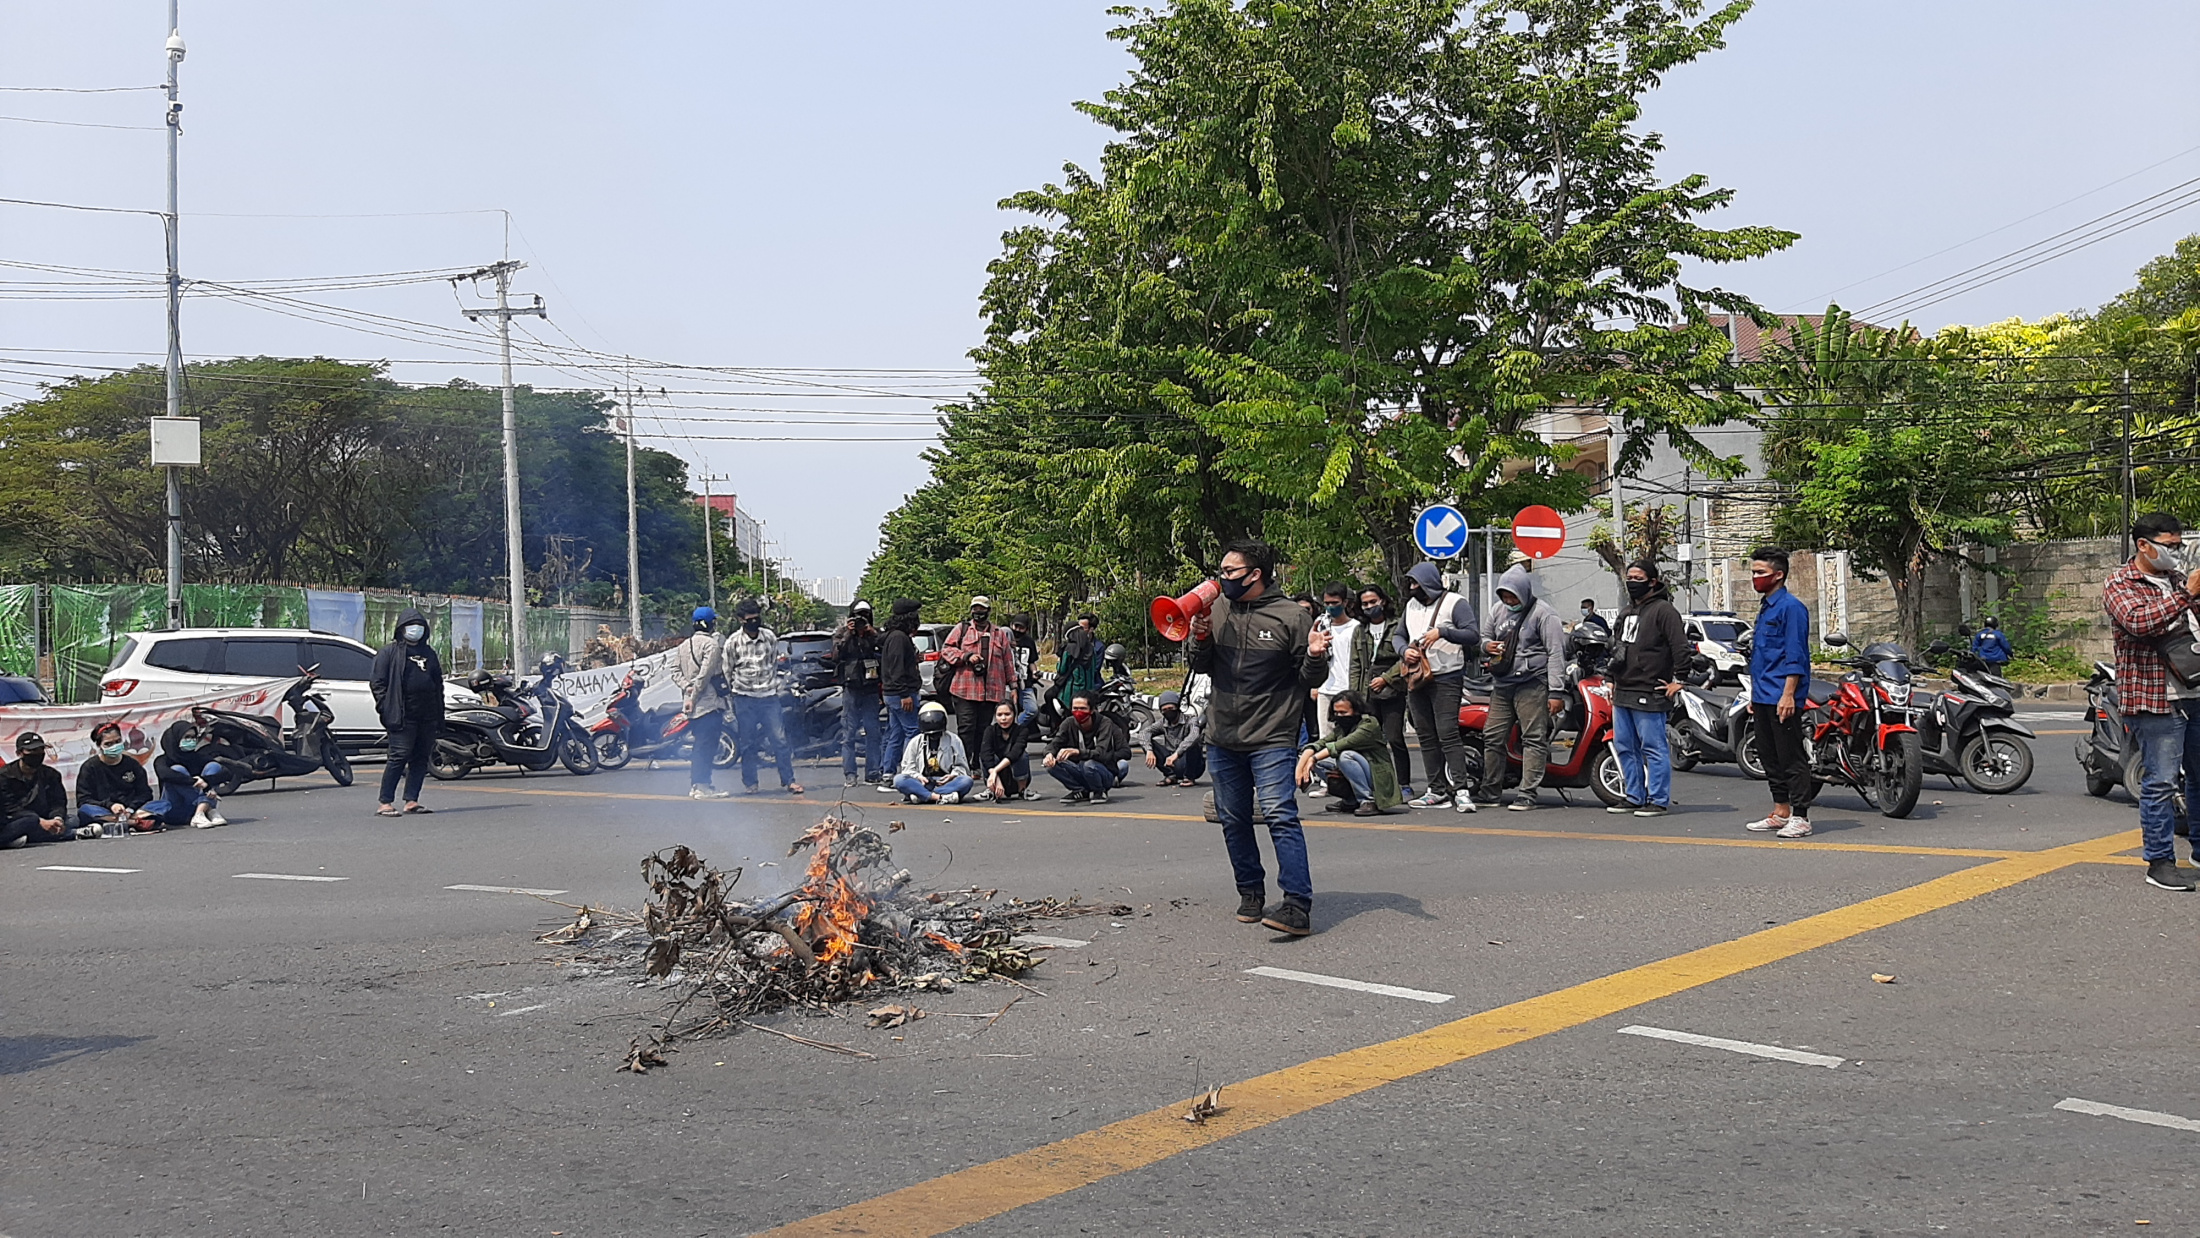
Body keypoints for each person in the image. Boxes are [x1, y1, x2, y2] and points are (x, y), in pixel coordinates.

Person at [1187, 539, 1330, 937]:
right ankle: (1250, 892)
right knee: (1233, 819)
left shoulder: (1291, 617)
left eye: (1230, 572)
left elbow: (1309, 681)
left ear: (1255, 575)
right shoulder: (1217, 609)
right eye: (1222, 571)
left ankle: (1297, 904)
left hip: (1272, 735)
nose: (1222, 578)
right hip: (1222, 734)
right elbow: (1203, 667)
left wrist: (1316, 655)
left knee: (1280, 816)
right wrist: (1200, 638)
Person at [2104, 513, 2200, 890]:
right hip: (2155, 696)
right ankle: (2159, 862)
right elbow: (2140, 623)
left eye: (2180, 545)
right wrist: (2187, 594)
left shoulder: (2177, 580)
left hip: (2195, 691)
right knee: (2160, 781)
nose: (2176, 552)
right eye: (2170, 545)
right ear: (2144, 545)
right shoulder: (2120, 582)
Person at [1742, 546, 1818, 840]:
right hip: (1763, 694)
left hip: (1782, 696)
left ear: (1778, 575)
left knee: (1790, 756)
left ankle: (1801, 816)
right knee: (1768, 755)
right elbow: (1762, 655)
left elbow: (1795, 655)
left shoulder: (1791, 608)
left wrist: (1788, 695)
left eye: (1760, 572)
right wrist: (1754, 695)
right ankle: (1781, 810)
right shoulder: (1766, 606)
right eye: (1753, 572)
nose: (1755, 578)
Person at [1480, 564, 1568, 811]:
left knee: (1533, 738)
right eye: (1505, 596)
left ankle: (1527, 793)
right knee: (1493, 736)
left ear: (1523, 592)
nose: (1509, 601)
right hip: (1502, 684)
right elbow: (1483, 638)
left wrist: (1556, 692)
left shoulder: (1543, 614)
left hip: (1532, 683)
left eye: (1513, 596)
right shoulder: (1498, 610)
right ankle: (1490, 791)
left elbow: (1555, 653)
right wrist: (1488, 647)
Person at [1606, 561, 1689, 817]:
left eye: (1638, 577)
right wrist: (1610, 677)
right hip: (1623, 689)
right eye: (1629, 577)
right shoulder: (1627, 612)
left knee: (1653, 747)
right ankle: (1633, 795)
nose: (1632, 581)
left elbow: (1680, 647)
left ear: (1652, 581)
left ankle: (1658, 799)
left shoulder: (1664, 611)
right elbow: (1618, 647)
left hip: (1650, 690)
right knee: (1624, 746)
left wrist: (1680, 679)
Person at [1399, 562, 1480, 812]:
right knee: (1425, 734)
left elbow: (1472, 634)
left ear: (1429, 583)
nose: (1413, 588)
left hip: (1447, 677)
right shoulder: (1410, 606)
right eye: (1411, 583)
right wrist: (1404, 651)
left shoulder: (1455, 603)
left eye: (1417, 583)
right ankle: (1436, 790)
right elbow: (1399, 635)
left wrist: (1443, 632)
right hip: (1418, 677)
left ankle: (1461, 790)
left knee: (1448, 733)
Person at [369, 606, 444, 817]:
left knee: (421, 758)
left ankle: (412, 800)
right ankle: (385, 802)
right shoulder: (389, 653)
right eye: (411, 626)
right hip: (402, 716)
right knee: (398, 756)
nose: (415, 630)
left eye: (419, 626)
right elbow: (378, 683)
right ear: (402, 629)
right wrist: (385, 707)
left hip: (427, 715)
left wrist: (439, 713)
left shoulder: (429, 653)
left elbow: (438, 684)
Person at [723, 598, 803, 795]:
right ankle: (751, 783)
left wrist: (771, 686)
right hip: (744, 698)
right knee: (748, 743)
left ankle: (789, 781)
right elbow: (727, 671)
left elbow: (773, 664)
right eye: (749, 619)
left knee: (780, 740)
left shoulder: (769, 637)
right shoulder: (733, 642)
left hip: (768, 696)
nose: (754, 622)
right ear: (740, 620)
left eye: (756, 618)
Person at [1351, 582, 1415, 799]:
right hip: (1367, 694)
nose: (1369, 607)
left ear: (1383, 601)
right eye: (1365, 604)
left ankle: (1404, 784)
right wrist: (1355, 697)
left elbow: (1404, 657)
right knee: (1371, 741)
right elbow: (1356, 665)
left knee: (1395, 738)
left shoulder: (1397, 626)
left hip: (1393, 691)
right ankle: (1376, 785)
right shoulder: (1360, 631)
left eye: (1373, 602)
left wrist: (1386, 679)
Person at [1297, 689, 1404, 817]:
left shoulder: (1369, 725)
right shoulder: (1342, 727)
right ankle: (1350, 800)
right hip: (1360, 769)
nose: (1339, 716)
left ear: (1356, 710)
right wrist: (1301, 767)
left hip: (1376, 776)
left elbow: (1339, 745)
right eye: (1336, 712)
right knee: (1321, 761)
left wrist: (1312, 759)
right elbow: (1320, 744)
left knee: (1345, 756)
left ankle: (1368, 800)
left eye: (1343, 712)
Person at [940, 595, 1016, 760]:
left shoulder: (999, 634)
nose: (978, 612)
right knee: (966, 728)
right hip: (965, 689)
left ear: (988, 611)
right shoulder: (962, 629)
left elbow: (1008, 661)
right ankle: (963, 763)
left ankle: (977, 764)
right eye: (975, 609)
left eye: (981, 609)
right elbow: (946, 650)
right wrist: (966, 656)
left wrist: (1014, 686)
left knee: (984, 729)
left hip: (991, 691)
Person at [670, 606, 732, 800]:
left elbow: (674, 671)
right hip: (708, 704)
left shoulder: (684, 645)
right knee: (706, 746)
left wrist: (687, 688)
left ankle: (698, 784)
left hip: (692, 704)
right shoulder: (711, 645)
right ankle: (702, 786)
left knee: (700, 745)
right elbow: (704, 675)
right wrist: (694, 695)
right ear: (709, 623)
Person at [831, 600, 886, 788]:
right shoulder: (842, 633)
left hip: (870, 688)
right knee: (849, 733)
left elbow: (884, 647)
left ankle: (872, 772)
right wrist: (849, 633)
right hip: (851, 688)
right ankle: (850, 774)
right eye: (858, 615)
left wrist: (872, 633)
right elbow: (836, 655)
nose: (862, 619)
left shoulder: (874, 633)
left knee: (873, 731)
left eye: (865, 614)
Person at [1044, 692, 1132, 803]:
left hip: (1101, 769)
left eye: (1083, 708)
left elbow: (1101, 752)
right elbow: (1054, 743)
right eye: (1075, 708)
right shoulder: (1068, 723)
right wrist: (1049, 755)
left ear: (1092, 710)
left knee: (1089, 765)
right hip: (1079, 769)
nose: (1078, 712)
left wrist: (1078, 752)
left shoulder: (1105, 724)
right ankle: (1079, 791)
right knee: (1051, 766)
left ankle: (1099, 791)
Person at [75, 721, 156, 836]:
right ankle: (131, 823)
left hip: (132, 811)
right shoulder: (89, 767)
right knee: (85, 810)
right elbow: (83, 799)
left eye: (117, 742)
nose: (114, 746)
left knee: (163, 805)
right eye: (108, 744)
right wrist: (110, 805)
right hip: (104, 810)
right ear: (99, 745)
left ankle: (123, 822)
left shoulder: (132, 764)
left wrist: (130, 809)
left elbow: (145, 793)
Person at [146, 719, 229, 829]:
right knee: (178, 769)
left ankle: (200, 812)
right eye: (186, 737)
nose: (191, 740)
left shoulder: (197, 757)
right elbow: (165, 775)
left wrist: (206, 781)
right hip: (174, 811)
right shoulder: (163, 760)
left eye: (193, 737)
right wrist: (197, 783)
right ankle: (208, 808)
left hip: (194, 808)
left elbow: (227, 772)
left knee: (213, 766)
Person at [879, 599, 924, 792]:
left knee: (895, 734)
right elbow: (896, 668)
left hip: (893, 693)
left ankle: (888, 775)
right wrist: (905, 693)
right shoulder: (899, 638)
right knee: (912, 732)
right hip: (901, 693)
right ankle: (907, 773)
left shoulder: (894, 636)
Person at [0, 732, 70, 847]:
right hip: (18, 819)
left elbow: (58, 802)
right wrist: (39, 821)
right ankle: (72, 834)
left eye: (40, 750)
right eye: (32, 751)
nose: (37, 754)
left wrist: (57, 818)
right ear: (19, 753)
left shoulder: (51, 774)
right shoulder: (5, 776)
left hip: (46, 817)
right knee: (30, 822)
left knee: (73, 820)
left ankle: (26, 838)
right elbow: (10, 808)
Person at [894, 700, 971, 804]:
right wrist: (918, 777)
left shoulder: (954, 740)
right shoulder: (915, 741)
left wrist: (952, 775)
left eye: (937, 734)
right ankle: (939, 797)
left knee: (967, 781)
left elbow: (962, 767)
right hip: (922, 782)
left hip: (945, 782)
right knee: (899, 780)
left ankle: (922, 795)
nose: (934, 737)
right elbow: (907, 768)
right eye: (930, 735)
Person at [1315, 583, 1360, 723]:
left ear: (1345, 602)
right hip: (1325, 689)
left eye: (1335, 603)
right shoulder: (1320, 625)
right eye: (1327, 603)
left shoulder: (1356, 627)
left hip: (1347, 689)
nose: (1330, 607)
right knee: (1325, 736)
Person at [1142, 690, 1207, 786]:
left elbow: (1194, 735)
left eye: (1171, 708)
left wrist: (1177, 754)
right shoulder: (1162, 723)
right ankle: (1170, 775)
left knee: (1194, 743)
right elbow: (1144, 732)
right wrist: (1149, 750)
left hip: (1191, 764)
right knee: (1148, 742)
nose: (1168, 712)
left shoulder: (1190, 719)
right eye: (1165, 710)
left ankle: (1189, 777)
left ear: (1178, 707)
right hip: (1171, 763)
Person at [978, 701, 1034, 801]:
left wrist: (995, 770)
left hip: (1014, 776)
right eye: (999, 715)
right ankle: (991, 790)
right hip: (995, 777)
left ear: (1014, 715)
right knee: (987, 757)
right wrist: (995, 777)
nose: (1003, 718)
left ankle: (1022, 790)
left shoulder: (1022, 730)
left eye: (1007, 714)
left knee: (1023, 755)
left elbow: (1015, 753)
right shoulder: (990, 730)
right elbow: (985, 754)